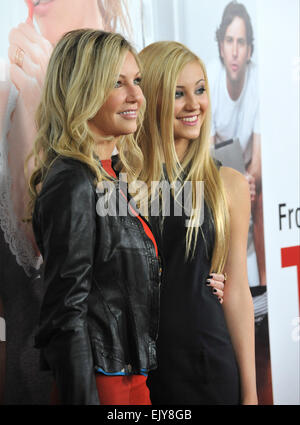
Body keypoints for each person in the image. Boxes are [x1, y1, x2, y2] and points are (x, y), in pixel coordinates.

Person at [0, 0, 132, 404]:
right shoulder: (13, 92)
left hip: (137, 372)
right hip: (46, 375)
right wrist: (35, 104)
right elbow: (40, 248)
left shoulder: (139, 87)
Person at [27, 28, 162, 405]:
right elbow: (65, 316)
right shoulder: (72, 181)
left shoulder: (109, 174)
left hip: (131, 379)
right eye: (117, 83)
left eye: (136, 81)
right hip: (103, 385)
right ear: (82, 91)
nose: (136, 95)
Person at [138, 41, 258, 405]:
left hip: (209, 365)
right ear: (153, 98)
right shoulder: (121, 185)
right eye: (178, 93)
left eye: (200, 90)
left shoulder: (230, 185)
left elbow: (236, 293)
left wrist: (250, 395)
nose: (194, 104)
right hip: (139, 373)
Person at [208, 0, 272, 404]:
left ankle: (264, 292)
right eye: (229, 41)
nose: (235, 50)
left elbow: (259, 157)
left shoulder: (259, 83)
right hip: (217, 170)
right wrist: (234, 183)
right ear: (221, 45)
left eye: (242, 42)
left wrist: (248, 182)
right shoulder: (211, 81)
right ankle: (221, 292)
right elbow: (208, 152)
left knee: (260, 201)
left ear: (250, 49)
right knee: (224, 204)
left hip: (247, 169)